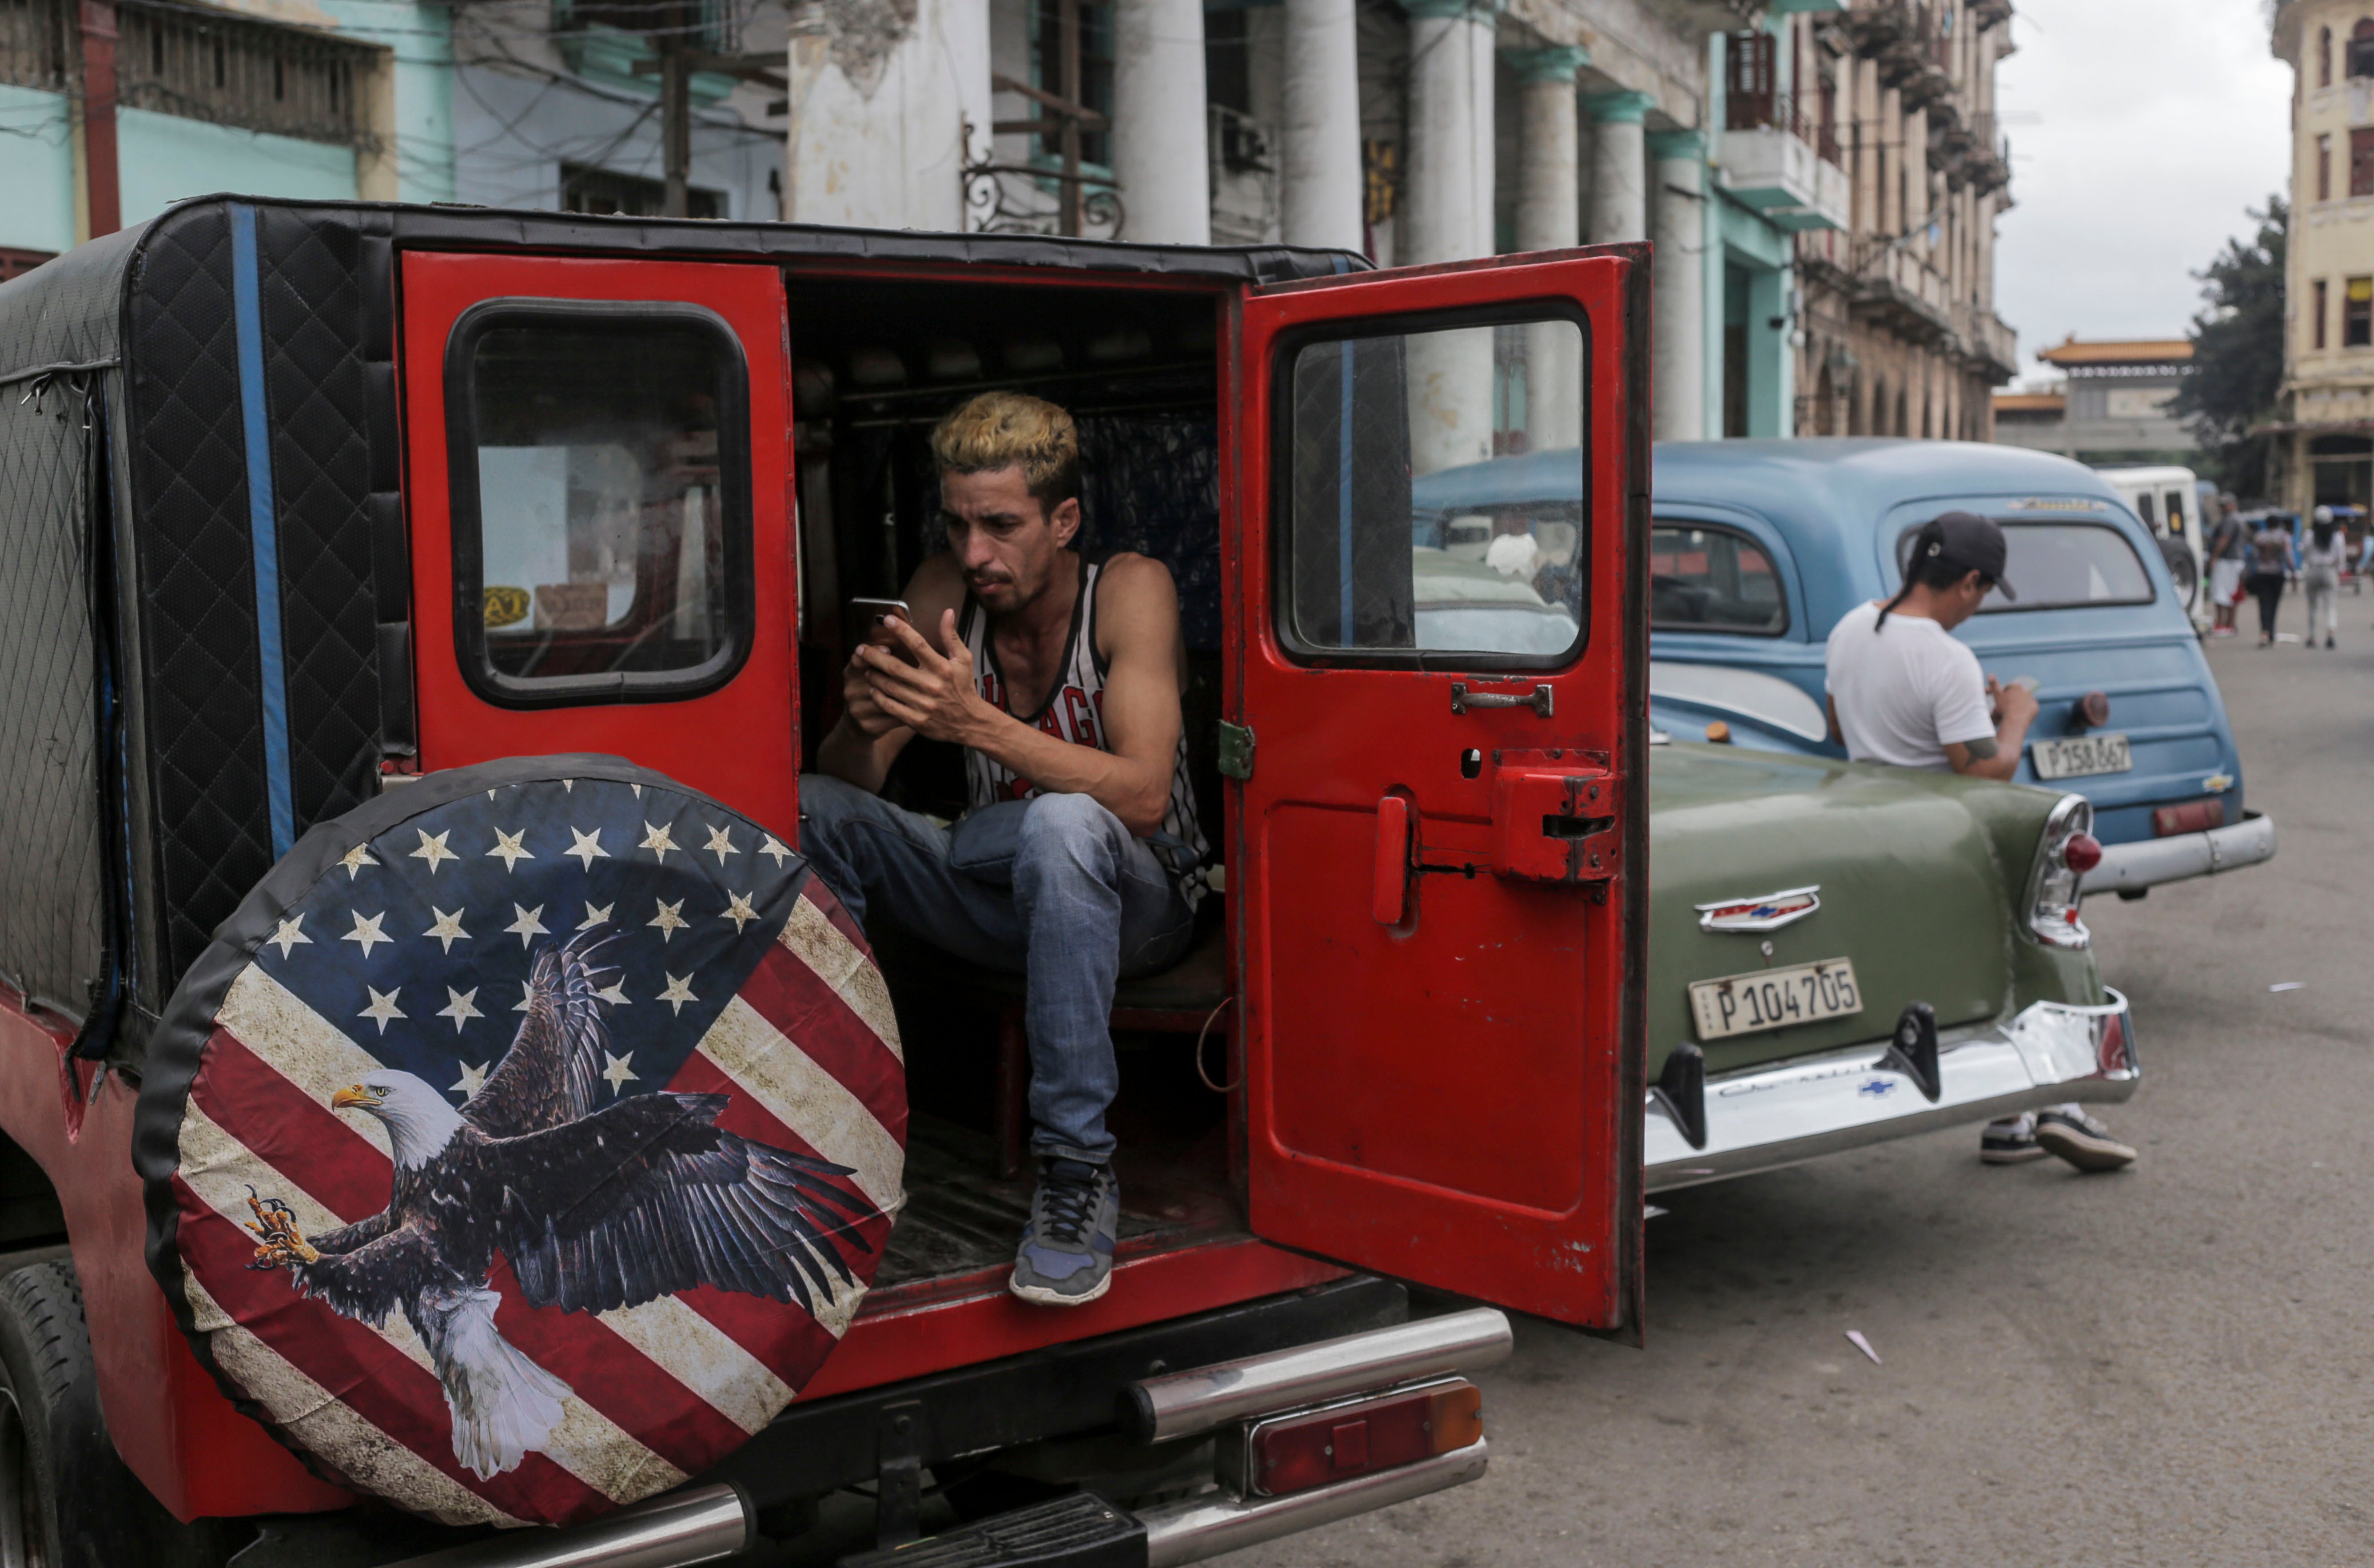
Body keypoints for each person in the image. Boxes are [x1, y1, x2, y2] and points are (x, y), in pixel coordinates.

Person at [800, 392, 1208, 1307]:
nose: (974, 551)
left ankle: (1075, 1172)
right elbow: (850, 783)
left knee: (1065, 824)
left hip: (1141, 901)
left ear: (1062, 521)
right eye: (956, 522)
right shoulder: (946, 588)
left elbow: (1141, 796)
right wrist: (862, 729)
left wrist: (972, 723)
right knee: (809, 808)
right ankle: (840, 1131)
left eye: (1000, 525)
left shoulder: (1128, 588)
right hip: (1003, 891)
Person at [1825, 511, 2138, 1173]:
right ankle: (2053, 1103)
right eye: (1985, 591)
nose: (1979, 606)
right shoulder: (1947, 656)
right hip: (1942, 841)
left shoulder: (1852, 628)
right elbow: (1981, 769)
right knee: (2036, 946)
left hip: (1865, 832)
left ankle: (2014, 1119)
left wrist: (1968, 717)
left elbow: (1836, 724)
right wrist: (2016, 719)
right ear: (1969, 582)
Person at [2245, 511, 2296, 647]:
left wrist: (2248, 572)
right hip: (2278, 574)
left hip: (2262, 573)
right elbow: (2289, 557)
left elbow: (2254, 556)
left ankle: (2265, 633)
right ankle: (2271, 633)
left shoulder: (2260, 537)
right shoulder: (2284, 537)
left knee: (2263, 605)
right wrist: (2293, 573)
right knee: (2274, 605)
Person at [2303, 505, 2347, 649]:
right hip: (2330, 571)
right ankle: (2330, 634)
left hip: (2314, 570)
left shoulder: (2309, 534)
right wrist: (2340, 571)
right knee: (2331, 606)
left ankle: (2312, 636)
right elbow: (2341, 557)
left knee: (2312, 606)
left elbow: (2305, 553)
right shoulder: (2338, 535)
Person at [2204, 495, 2247, 638]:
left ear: (2233, 505)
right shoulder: (2239, 519)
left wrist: (2214, 557)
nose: (2222, 509)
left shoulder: (2230, 520)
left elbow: (2225, 539)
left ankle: (2223, 624)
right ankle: (2230, 624)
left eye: (2225, 505)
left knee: (2221, 593)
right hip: (2236, 560)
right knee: (2232, 593)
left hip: (2226, 561)